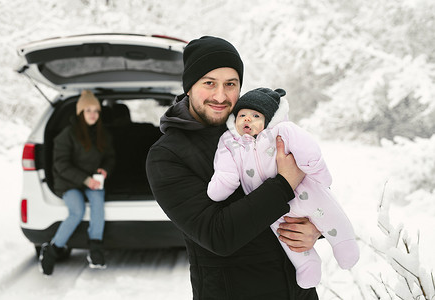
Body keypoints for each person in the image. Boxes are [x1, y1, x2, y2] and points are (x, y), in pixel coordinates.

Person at [146, 36, 321, 299]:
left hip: (298, 291)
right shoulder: (167, 156)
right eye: (209, 83)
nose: (220, 95)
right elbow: (218, 236)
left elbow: (312, 190)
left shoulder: (258, 127)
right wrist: (284, 183)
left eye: (230, 84)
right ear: (189, 87)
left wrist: (316, 229)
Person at [207, 87, 360, 288]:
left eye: (255, 115)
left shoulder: (282, 131)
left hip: (307, 192)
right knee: (287, 236)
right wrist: (224, 182)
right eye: (242, 115)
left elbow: (307, 149)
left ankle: (345, 245)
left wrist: (317, 170)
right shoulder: (231, 142)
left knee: (330, 215)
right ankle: (307, 264)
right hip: (273, 205)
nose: (247, 119)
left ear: (268, 119)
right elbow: (225, 168)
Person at [39, 90, 115, 276]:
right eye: (88, 110)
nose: (92, 114)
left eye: (96, 111)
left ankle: (95, 248)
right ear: (80, 112)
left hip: (91, 180)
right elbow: (61, 164)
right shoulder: (67, 134)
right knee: (77, 211)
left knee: (98, 202)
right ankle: (52, 249)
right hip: (68, 181)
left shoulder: (101, 133)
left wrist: (105, 169)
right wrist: (85, 179)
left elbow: (110, 156)